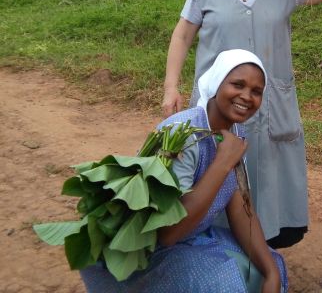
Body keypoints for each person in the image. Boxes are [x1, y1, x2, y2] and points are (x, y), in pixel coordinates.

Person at [161, 0, 322, 248]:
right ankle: (215, 250)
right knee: (214, 168)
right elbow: (182, 35)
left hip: (270, 102)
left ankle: (264, 250)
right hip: (217, 107)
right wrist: (171, 86)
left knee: (267, 173)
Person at [81, 49, 287, 292]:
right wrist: (222, 163)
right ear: (217, 83)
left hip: (193, 236)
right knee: (222, 285)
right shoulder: (181, 135)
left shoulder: (235, 134)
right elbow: (169, 233)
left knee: (269, 267)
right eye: (237, 85)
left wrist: (271, 272)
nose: (246, 96)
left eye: (256, 91)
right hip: (150, 251)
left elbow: (240, 209)